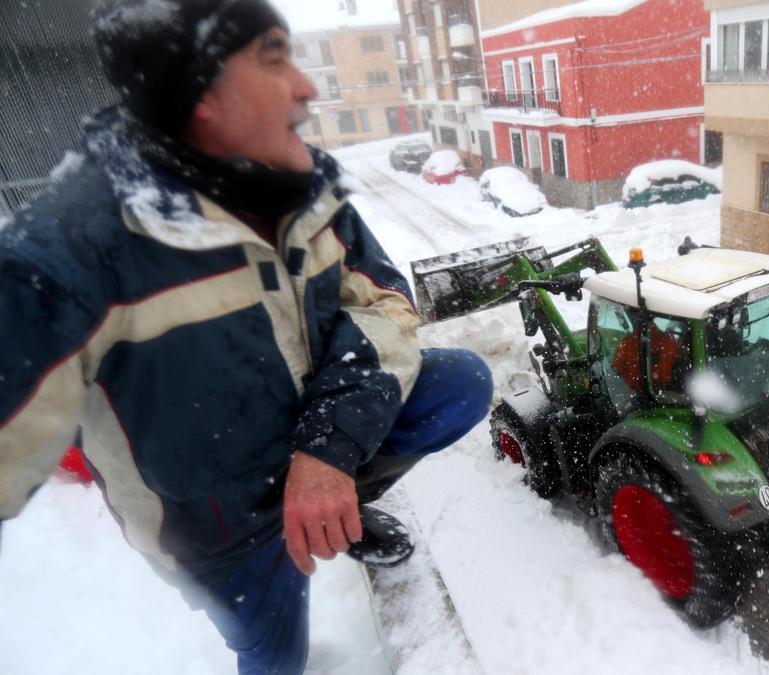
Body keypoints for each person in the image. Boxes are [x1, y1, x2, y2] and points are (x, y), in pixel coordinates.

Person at [0, 1, 492, 673]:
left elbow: (385, 302)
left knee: (459, 383)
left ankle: (333, 514)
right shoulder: (67, 252)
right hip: (220, 535)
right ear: (201, 91)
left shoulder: (301, 185)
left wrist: (329, 449)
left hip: (310, 445)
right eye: (273, 58)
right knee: (274, 656)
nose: (307, 86)